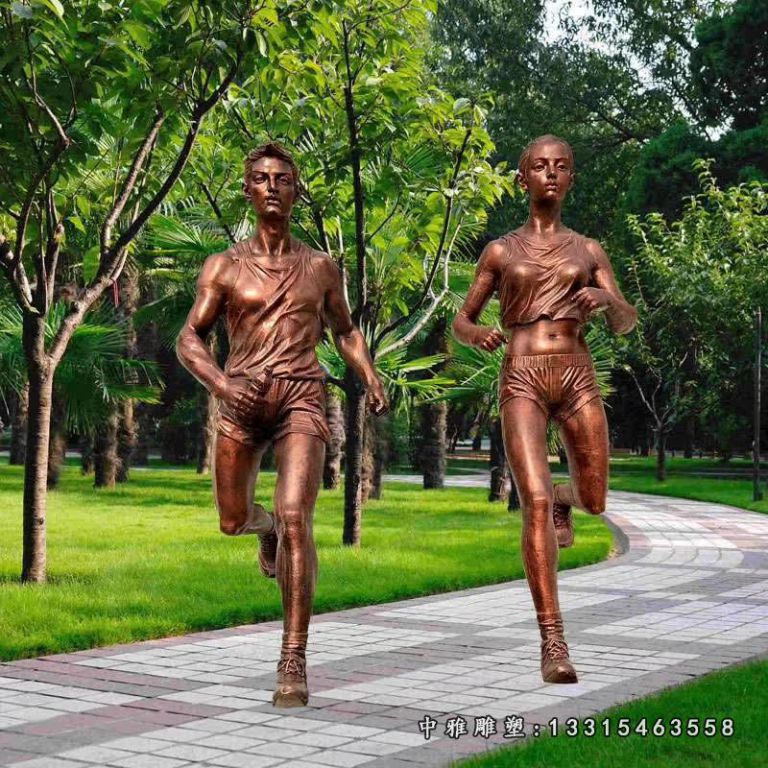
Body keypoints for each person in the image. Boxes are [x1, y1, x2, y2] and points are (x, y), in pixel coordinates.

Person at [177, 142, 388, 707]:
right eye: (262, 178)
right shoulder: (223, 266)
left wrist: (368, 373)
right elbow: (189, 338)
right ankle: (263, 528)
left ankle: (293, 658)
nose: (272, 187)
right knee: (232, 519)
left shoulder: (321, 267)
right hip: (242, 399)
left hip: (301, 396)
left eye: (282, 179)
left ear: (297, 190)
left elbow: (345, 331)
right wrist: (222, 385)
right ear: (247, 189)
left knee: (298, 516)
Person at [452, 135, 637, 683]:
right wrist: (477, 334)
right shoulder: (501, 251)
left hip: (577, 373)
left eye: (560, 167)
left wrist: (607, 300)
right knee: (531, 501)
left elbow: (625, 321)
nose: (550, 174)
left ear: (571, 178)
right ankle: (553, 641)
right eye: (539, 166)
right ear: (522, 179)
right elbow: (462, 320)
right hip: (523, 375)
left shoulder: (589, 250)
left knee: (595, 500)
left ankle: (564, 498)